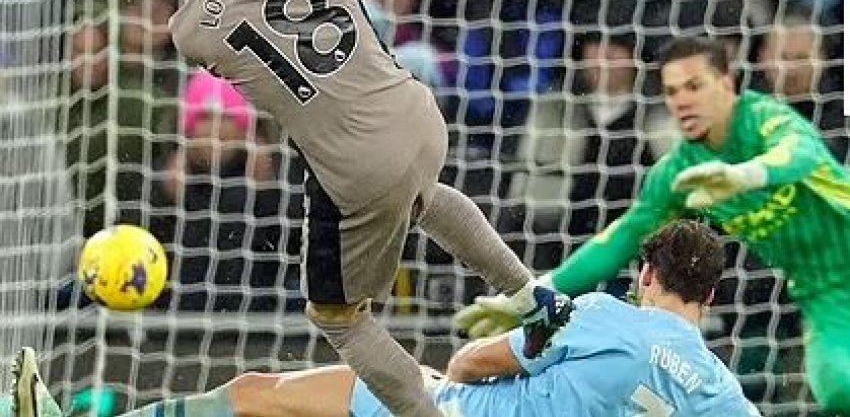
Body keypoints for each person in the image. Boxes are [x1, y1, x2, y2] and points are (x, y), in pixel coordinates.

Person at [161, 0, 569, 417]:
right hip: (417, 113)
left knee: (338, 318)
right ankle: (535, 297)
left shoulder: (189, 29)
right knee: (422, 196)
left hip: (354, 164)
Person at [456, 35, 850, 416]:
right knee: (837, 388)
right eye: (672, 91)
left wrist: (748, 175)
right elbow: (622, 238)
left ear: (728, 83)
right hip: (824, 291)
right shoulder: (677, 172)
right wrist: (535, 294)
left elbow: (801, 153)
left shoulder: (765, 118)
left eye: (694, 86)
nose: (682, 100)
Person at [11, 221, 760, 417]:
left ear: (647, 274)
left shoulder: (600, 315)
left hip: (449, 408)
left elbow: (474, 365)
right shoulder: (725, 396)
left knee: (253, 396)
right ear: (714, 299)